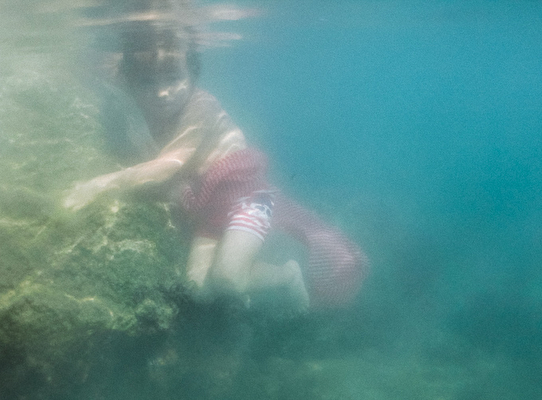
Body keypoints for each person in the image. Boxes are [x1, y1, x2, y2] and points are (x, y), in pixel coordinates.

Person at [65, 22, 366, 309]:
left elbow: (168, 165)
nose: (162, 92)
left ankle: (286, 275)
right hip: (209, 205)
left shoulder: (201, 106)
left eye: (174, 78)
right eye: (148, 82)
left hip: (248, 199)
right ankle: (246, 281)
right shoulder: (140, 91)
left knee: (228, 281)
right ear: (133, 83)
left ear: (192, 76)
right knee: (197, 290)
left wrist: (97, 185)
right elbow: (105, 72)